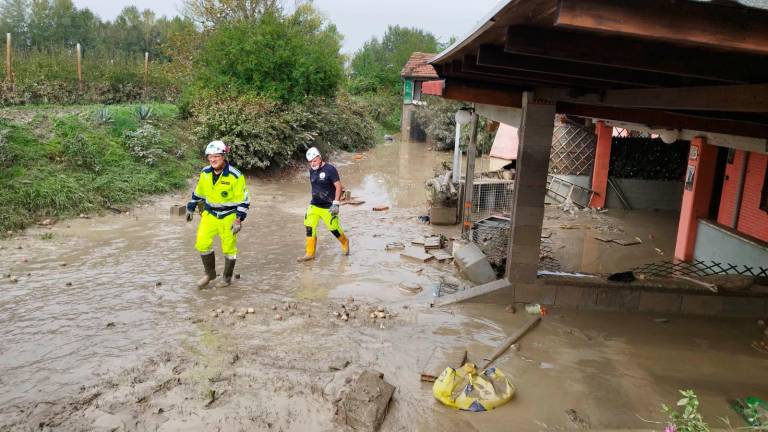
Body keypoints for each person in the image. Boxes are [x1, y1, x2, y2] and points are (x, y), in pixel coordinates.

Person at [186, 140, 250, 288]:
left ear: (224, 156)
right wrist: (190, 207)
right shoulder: (205, 173)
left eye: (216, 156)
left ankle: (227, 278)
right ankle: (210, 274)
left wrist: (238, 220)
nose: (213, 159)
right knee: (202, 243)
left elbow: (244, 201)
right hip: (209, 214)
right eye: (210, 156)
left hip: (229, 216)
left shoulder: (235, 176)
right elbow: (199, 192)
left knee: (229, 248)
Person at [297, 147, 349, 262]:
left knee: (334, 230)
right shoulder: (312, 170)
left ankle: (345, 242)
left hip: (329, 207)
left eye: (314, 161)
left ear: (319, 158)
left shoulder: (330, 169)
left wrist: (336, 203)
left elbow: (338, 186)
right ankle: (310, 253)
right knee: (309, 227)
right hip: (314, 205)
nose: (312, 164)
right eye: (310, 162)